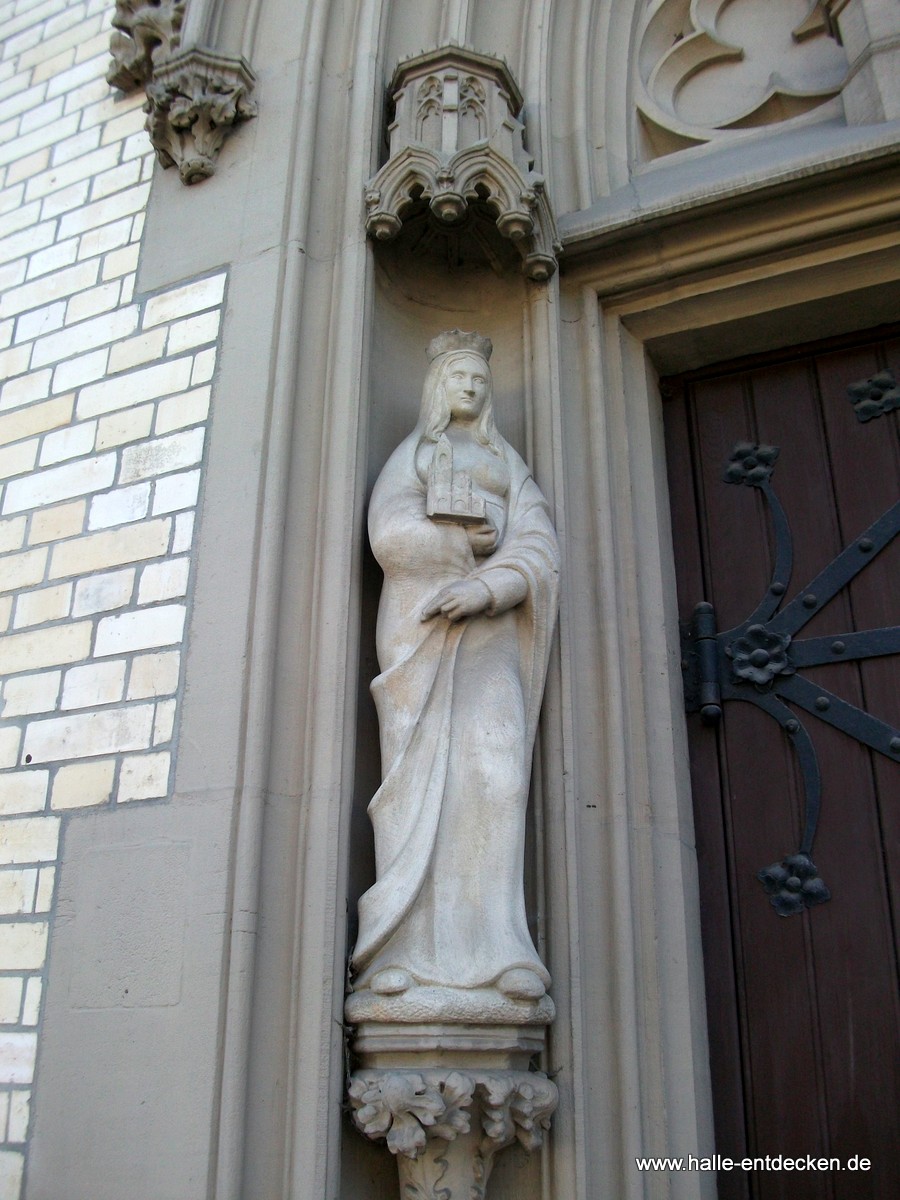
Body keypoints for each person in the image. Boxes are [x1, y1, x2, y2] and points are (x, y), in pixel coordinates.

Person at [352, 330, 559, 1005]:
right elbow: (388, 534)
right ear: (437, 387)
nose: (470, 387)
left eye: (479, 378)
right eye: (459, 377)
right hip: (424, 629)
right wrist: (455, 546)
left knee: (496, 775)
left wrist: (491, 584)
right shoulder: (412, 455)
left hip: (491, 631)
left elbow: (540, 545)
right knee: (415, 786)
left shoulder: (509, 462)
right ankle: (399, 952)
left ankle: (500, 952)